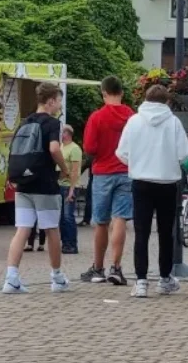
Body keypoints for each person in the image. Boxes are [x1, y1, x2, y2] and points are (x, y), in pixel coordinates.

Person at [116, 84, 188, 298]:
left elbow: (121, 152)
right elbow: (183, 155)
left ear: (146, 99)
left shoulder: (134, 121)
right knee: (165, 233)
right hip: (167, 182)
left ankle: (141, 281)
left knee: (141, 233)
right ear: (166, 101)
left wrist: (137, 162)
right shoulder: (173, 122)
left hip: (141, 181)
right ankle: (164, 278)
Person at [3, 82, 74, 294]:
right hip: (44, 183)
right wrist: (64, 169)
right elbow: (53, 148)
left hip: (23, 184)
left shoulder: (25, 122)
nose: (60, 105)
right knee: (52, 229)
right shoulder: (52, 123)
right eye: (59, 101)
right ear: (51, 101)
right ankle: (57, 277)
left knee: (22, 229)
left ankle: (11, 277)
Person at [80, 76, 134, 286]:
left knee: (101, 221)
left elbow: (90, 148)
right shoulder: (132, 117)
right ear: (121, 92)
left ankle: (97, 268)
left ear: (103, 93)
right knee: (120, 218)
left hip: (103, 172)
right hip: (126, 170)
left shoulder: (97, 117)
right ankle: (116, 268)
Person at [58, 124, 83, 254]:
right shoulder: (61, 147)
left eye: (62, 133)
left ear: (67, 134)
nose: (60, 135)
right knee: (61, 217)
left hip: (69, 186)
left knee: (68, 216)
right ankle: (65, 243)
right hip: (60, 184)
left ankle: (72, 244)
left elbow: (75, 171)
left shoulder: (75, 149)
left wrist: (72, 190)